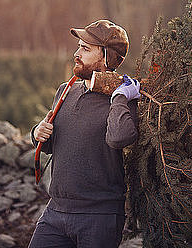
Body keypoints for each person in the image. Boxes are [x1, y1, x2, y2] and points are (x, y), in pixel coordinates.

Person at [28, 19, 141, 248]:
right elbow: (53, 143)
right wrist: (38, 133)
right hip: (55, 211)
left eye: (85, 49)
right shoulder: (66, 90)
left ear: (106, 57)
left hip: (99, 217)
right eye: (79, 46)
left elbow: (119, 138)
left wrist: (119, 97)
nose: (76, 53)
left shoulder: (125, 97)